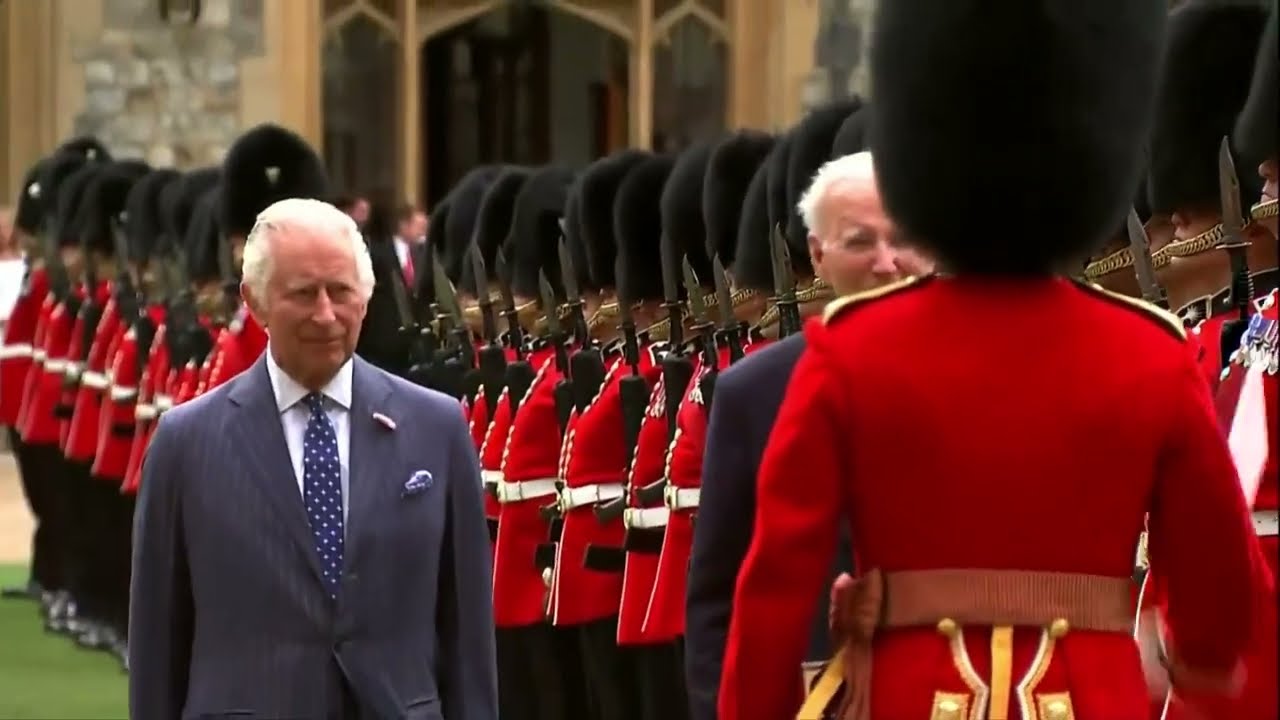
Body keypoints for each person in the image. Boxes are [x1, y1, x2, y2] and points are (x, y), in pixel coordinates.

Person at [718, 1, 1266, 719]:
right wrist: (1203, 665)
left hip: (906, 694)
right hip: (1094, 695)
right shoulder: (1151, 353)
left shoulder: (851, 349)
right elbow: (1219, 586)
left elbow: (776, 586)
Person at [128, 197, 498, 720]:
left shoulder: (436, 429)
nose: (325, 314)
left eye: (340, 292)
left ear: (366, 299)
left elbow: (467, 639)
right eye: (303, 294)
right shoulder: (186, 443)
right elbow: (157, 645)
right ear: (253, 301)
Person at [684, 149, 931, 720]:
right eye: (861, 242)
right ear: (818, 257)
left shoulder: (982, 371)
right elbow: (718, 592)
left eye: (904, 239)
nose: (888, 263)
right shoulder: (752, 390)